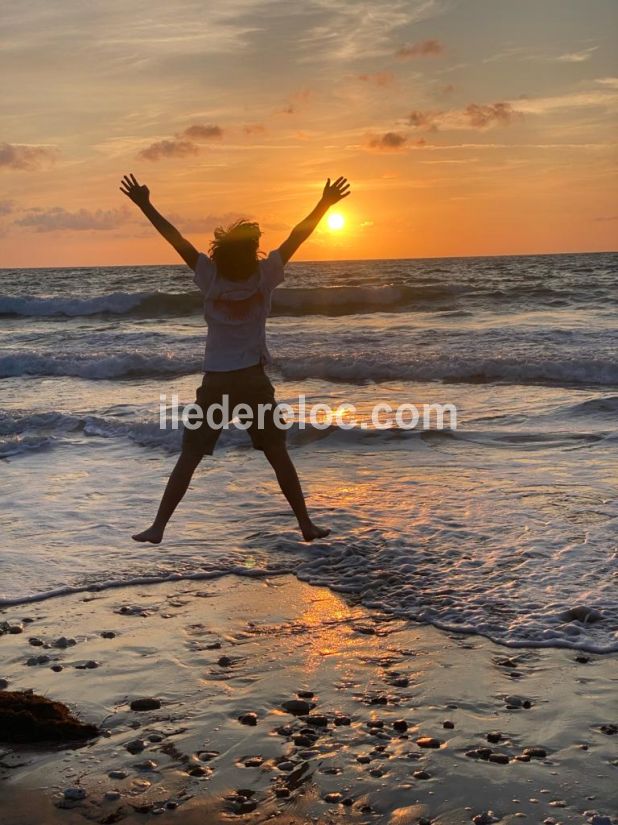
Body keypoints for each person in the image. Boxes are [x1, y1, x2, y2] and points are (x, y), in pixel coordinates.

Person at [119, 172, 350, 543]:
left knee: (190, 456)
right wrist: (324, 204)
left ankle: (159, 526)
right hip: (253, 382)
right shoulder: (265, 275)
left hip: (216, 384)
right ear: (252, 253)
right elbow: (296, 236)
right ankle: (305, 525)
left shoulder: (209, 276)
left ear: (220, 254)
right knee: (277, 453)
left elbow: (175, 239)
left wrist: (146, 204)